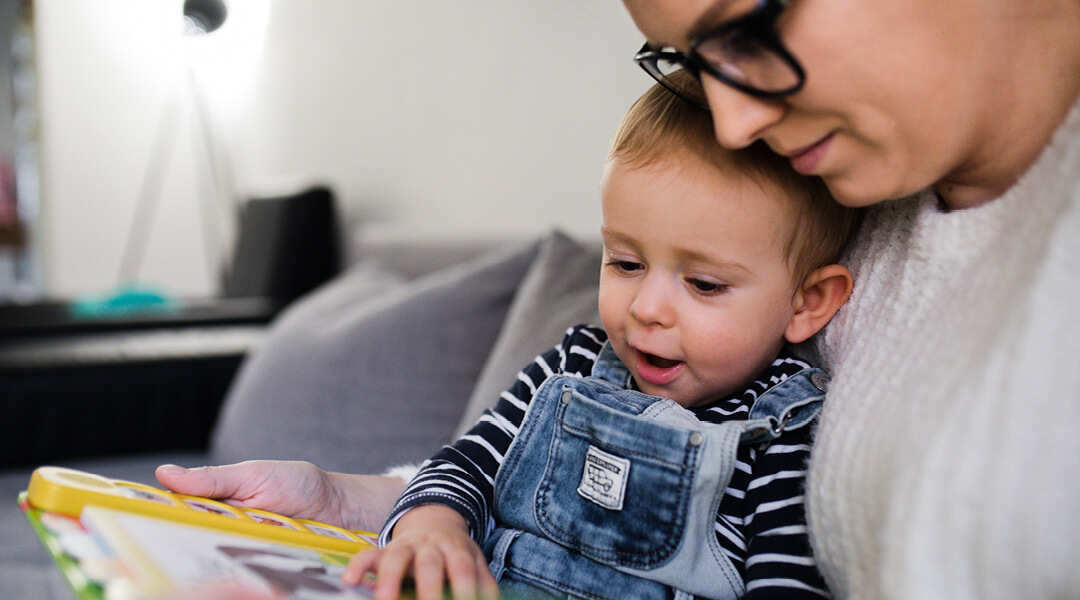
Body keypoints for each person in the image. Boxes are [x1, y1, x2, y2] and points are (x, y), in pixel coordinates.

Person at [160, 0, 1080, 598]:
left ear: (811, 303)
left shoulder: (778, 410)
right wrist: (355, 502)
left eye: (750, 28)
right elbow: (481, 465)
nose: (734, 123)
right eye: (678, 56)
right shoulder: (838, 186)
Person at [338, 78, 858, 600]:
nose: (646, 309)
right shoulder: (572, 365)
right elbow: (466, 465)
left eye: (704, 284)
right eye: (626, 263)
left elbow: (789, 585)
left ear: (807, 303)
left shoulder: (782, 430)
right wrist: (432, 529)